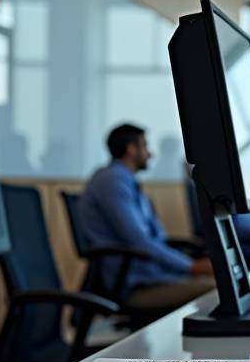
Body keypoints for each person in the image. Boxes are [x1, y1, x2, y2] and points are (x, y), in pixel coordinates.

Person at [80, 124, 214, 314]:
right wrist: (190, 266)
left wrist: (188, 264)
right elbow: (139, 240)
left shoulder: (126, 181)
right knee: (218, 290)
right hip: (137, 285)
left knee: (223, 281)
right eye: (145, 146)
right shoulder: (112, 180)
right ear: (131, 149)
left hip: (153, 275)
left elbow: (155, 236)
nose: (150, 154)